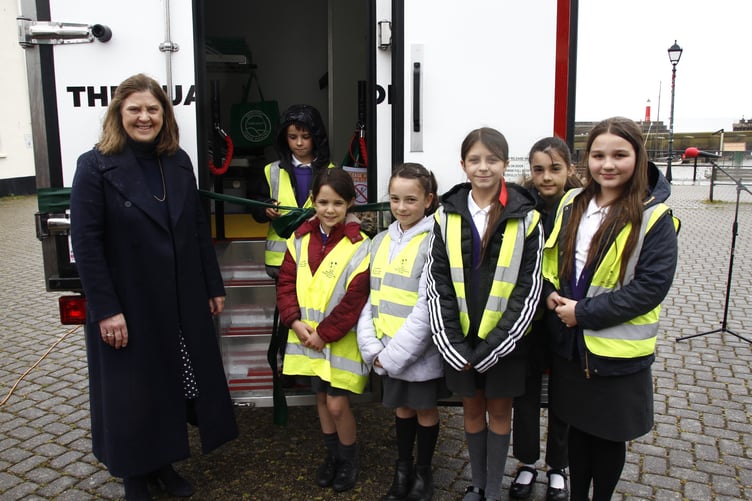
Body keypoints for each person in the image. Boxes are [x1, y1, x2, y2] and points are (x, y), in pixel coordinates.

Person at [70, 73, 238, 501]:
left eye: (153, 109)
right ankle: (134, 474)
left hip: (178, 298)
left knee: (170, 384)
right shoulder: (94, 166)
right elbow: (85, 244)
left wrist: (211, 284)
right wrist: (105, 308)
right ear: (118, 114)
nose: (144, 117)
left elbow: (197, 228)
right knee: (132, 392)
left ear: (165, 114)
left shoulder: (178, 160)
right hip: (128, 302)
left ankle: (163, 463)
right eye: (135, 110)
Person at [542, 117, 679, 501]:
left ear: (638, 157)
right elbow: (552, 258)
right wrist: (550, 293)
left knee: (606, 438)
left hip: (614, 353)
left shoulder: (654, 217)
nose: (607, 164)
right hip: (571, 347)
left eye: (619, 155)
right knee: (577, 431)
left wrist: (582, 313)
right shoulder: (572, 202)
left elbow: (650, 289)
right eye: (598, 155)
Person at [425, 128, 544, 501]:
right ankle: (477, 485)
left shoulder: (528, 218)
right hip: (461, 345)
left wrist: (494, 347)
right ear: (463, 165)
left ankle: (494, 490)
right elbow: (436, 283)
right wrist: (454, 346)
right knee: (471, 412)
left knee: (500, 413)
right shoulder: (445, 217)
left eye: (492, 159)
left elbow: (529, 290)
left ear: (506, 165)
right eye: (475, 160)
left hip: (506, 344)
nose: (483, 167)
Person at [275, 167, 371, 493]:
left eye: (338, 203)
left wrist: (324, 333)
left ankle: (349, 459)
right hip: (306, 338)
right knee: (320, 400)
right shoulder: (299, 239)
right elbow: (286, 283)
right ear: (313, 201)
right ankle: (332, 456)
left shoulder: (360, 245)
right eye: (323, 202)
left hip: (337, 342)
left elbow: (355, 299)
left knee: (336, 405)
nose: (330, 210)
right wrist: (294, 321)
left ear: (350, 205)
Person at [357, 163, 447, 501]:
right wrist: (373, 348)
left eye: (411, 200)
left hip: (417, 351)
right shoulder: (379, 241)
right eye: (395, 199)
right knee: (402, 410)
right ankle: (402, 471)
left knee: (424, 410)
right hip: (384, 348)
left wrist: (393, 355)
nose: (401, 207)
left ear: (428, 200)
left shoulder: (434, 241)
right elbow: (370, 297)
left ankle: (424, 475)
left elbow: (427, 307)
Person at [509, 137, 582, 500]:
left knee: (562, 396)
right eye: (539, 169)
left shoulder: (584, 207)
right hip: (530, 318)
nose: (546, 177)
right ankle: (525, 462)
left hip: (567, 316)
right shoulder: (522, 206)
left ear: (570, 169)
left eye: (555, 169)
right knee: (524, 395)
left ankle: (558, 466)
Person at [249, 103, 333, 279]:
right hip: (280, 260)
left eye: (306, 136)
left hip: (320, 256)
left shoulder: (332, 172)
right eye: (293, 137)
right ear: (284, 139)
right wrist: (265, 208)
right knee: (285, 306)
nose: (299, 142)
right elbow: (254, 204)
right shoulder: (270, 170)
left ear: (316, 137)